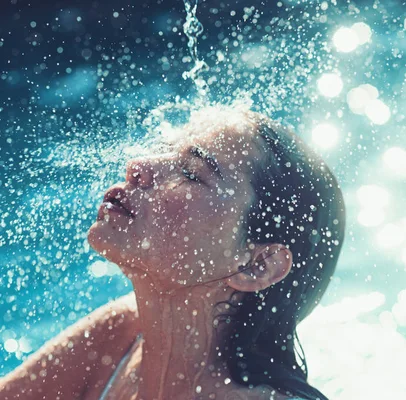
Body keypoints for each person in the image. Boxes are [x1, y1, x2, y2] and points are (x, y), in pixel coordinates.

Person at [0, 105, 346, 400]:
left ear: (257, 265)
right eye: (165, 150)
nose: (138, 165)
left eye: (192, 174)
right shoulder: (124, 332)